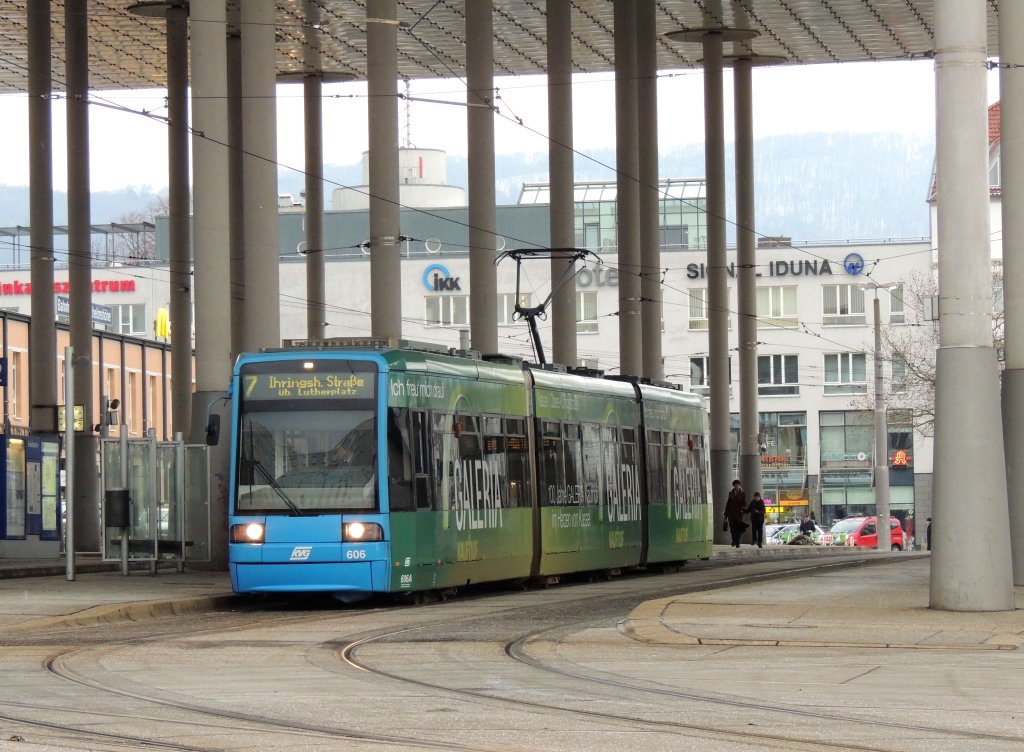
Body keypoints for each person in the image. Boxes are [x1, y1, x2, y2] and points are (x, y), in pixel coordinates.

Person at [724, 479, 747, 548]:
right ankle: (734, 540)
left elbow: (744, 503)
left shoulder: (742, 493)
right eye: (735, 485)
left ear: (739, 485)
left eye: (738, 485)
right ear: (733, 486)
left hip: (739, 513)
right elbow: (728, 503)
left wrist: (743, 510)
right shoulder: (730, 493)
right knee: (732, 528)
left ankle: (737, 542)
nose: (737, 486)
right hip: (731, 513)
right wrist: (726, 512)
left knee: (738, 528)